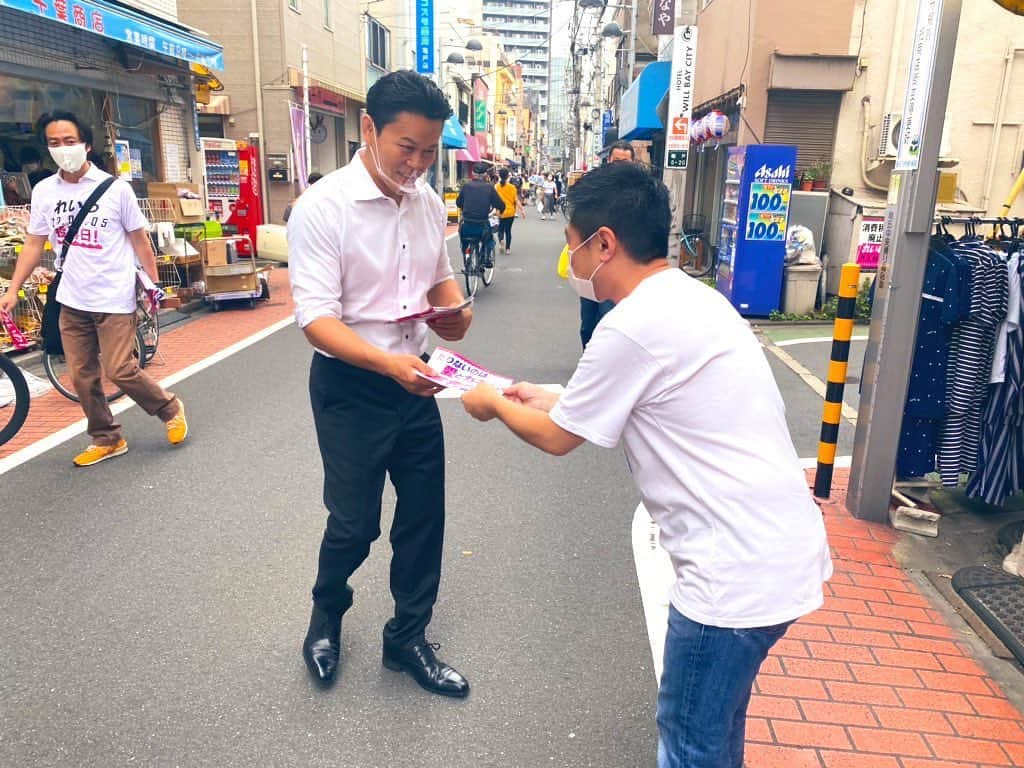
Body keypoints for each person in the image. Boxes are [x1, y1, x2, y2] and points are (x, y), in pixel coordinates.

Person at [461, 161, 831, 768]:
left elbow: (558, 438)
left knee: (689, 745)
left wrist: (492, 404)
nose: (572, 266)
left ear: (604, 243)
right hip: (776, 555)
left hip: (729, 580)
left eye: (572, 247)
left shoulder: (630, 325)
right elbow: (613, 406)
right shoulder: (691, 298)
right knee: (716, 734)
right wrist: (537, 394)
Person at [287, 70, 473, 697]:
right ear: (368, 130)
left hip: (418, 382)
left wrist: (458, 310)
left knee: (424, 517)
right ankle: (326, 615)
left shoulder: (425, 201)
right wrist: (388, 363)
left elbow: (440, 279)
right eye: (406, 148)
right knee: (354, 523)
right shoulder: (322, 207)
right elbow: (316, 320)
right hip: (351, 386)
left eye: (429, 151)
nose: (418, 164)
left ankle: (408, 640)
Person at [0, 111, 188, 466]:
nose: (63, 149)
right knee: (82, 375)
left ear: (86, 144)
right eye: (54, 143)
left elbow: (140, 240)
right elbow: (33, 243)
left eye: (69, 142)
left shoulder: (116, 189)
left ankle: (168, 407)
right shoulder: (44, 191)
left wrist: (152, 287)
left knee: (119, 369)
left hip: (113, 295)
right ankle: (106, 438)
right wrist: (13, 288)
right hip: (71, 297)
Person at [580, 143, 635, 348]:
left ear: (632, 163)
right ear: (609, 161)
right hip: (592, 265)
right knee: (587, 323)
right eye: (616, 161)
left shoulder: (640, 192)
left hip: (618, 266)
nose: (619, 166)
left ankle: (601, 368)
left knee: (607, 320)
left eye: (625, 162)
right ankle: (589, 357)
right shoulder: (596, 186)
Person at [456, 162, 505, 266]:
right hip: (482, 226)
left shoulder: (466, 186)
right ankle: (486, 258)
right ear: (486, 175)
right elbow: (500, 204)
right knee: (490, 240)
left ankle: (466, 256)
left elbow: (458, 202)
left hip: (466, 225)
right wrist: (500, 212)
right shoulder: (489, 188)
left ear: (473, 174)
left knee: (464, 240)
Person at [494, 168, 520, 254]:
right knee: (508, 231)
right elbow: (515, 200)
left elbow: (494, 199)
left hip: (500, 212)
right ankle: (508, 249)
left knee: (500, 229)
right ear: (508, 176)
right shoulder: (512, 187)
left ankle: (501, 241)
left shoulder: (496, 186)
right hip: (510, 212)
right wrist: (521, 210)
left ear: (499, 176)